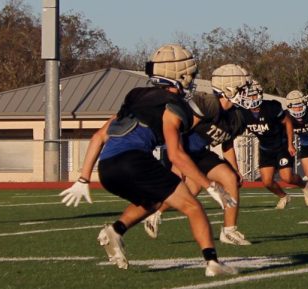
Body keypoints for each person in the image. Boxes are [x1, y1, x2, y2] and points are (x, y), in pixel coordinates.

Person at [58, 44, 238, 276]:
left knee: (151, 201)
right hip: (135, 161)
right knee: (193, 207)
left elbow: (99, 136)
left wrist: (83, 179)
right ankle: (213, 263)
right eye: (191, 75)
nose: (192, 79)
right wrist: (210, 185)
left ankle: (115, 230)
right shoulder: (176, 106)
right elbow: (176, 154)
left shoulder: (134, 96)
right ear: (180, 74)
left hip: (107, 168)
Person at [143, 64, 257, 244]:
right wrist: (178, 161)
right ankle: (154, 213)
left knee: (230, 178)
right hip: (183, 150)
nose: (247, 94)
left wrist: (235, 169)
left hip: (202, 154)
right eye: (243, 89)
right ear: (228, 88)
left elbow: (227, 144)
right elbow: (181, 130)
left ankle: (229, 230)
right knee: (186, 191)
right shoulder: (208, 103)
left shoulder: (238, 116)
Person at [243, 81, 308, 207]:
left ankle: (304, 185)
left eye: (253, 95)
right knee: (267, 182)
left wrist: (290, 144)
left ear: (260, 94)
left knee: (287, 178)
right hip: (265, 149)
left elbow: (288, 122)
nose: (251, 99)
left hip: (281, 146)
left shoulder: (271, 107)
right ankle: (284, 196)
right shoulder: (243, 112)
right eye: (248, 95)